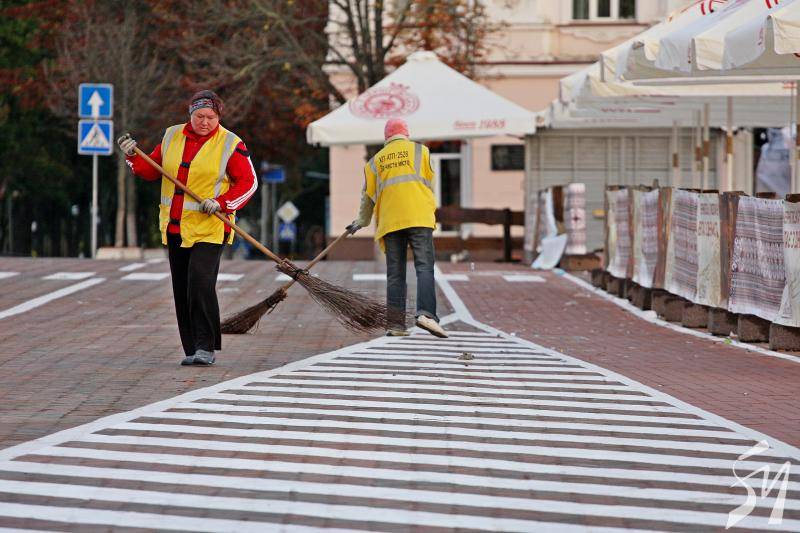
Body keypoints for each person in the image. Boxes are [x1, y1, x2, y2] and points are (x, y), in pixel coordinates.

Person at [117, 90, 258, 366]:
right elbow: (151, 170)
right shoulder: (172, 136)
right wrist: (133, 156)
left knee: (200, 283)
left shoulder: (231, 143)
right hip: (176, 227)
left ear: (219, 117)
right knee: (182, 288)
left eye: (211, 117)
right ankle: (192, 347)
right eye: (199, 116)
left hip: (210, 227)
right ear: (190, 114)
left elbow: (249, 183)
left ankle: (206, 346)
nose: (205, 122)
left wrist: (221, 203)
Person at [347, 118, 448, 338]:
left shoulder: (374, 162)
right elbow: (431, 183)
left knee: (395, 274)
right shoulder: (421, 152)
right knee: (424, 267)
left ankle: (395, 324)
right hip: (419, 216)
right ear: (406, 134)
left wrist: (360, 222)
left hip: (391, 221)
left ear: (387, 137)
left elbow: (368, 197)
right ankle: (426, 315)